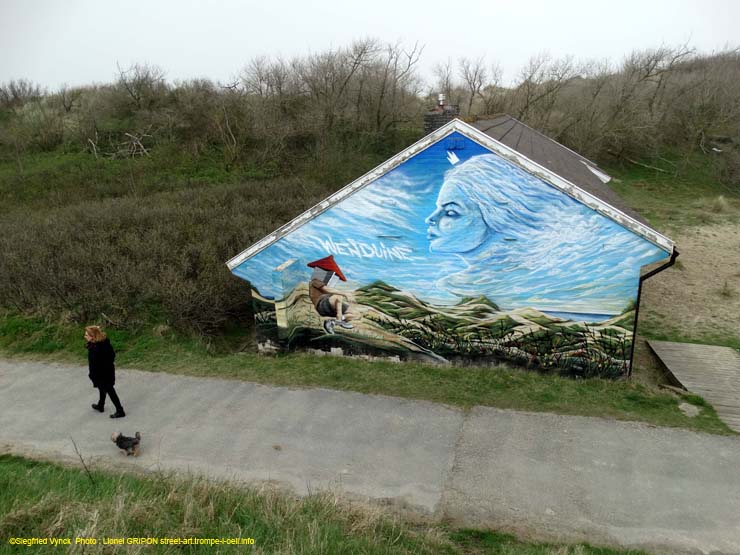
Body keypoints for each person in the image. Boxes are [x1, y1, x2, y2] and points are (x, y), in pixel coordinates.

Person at [85, 325, 125, 418]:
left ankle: (120, 410)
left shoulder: (95, 348)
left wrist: (92, 375)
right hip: (108, 370)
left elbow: (93, 364)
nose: (85, 336)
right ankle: (101, 405)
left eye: (87, 335)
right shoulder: (104, 342)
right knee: (102, 387)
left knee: (110, 390)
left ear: (93, 336)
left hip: (102, 373)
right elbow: (112, 355)